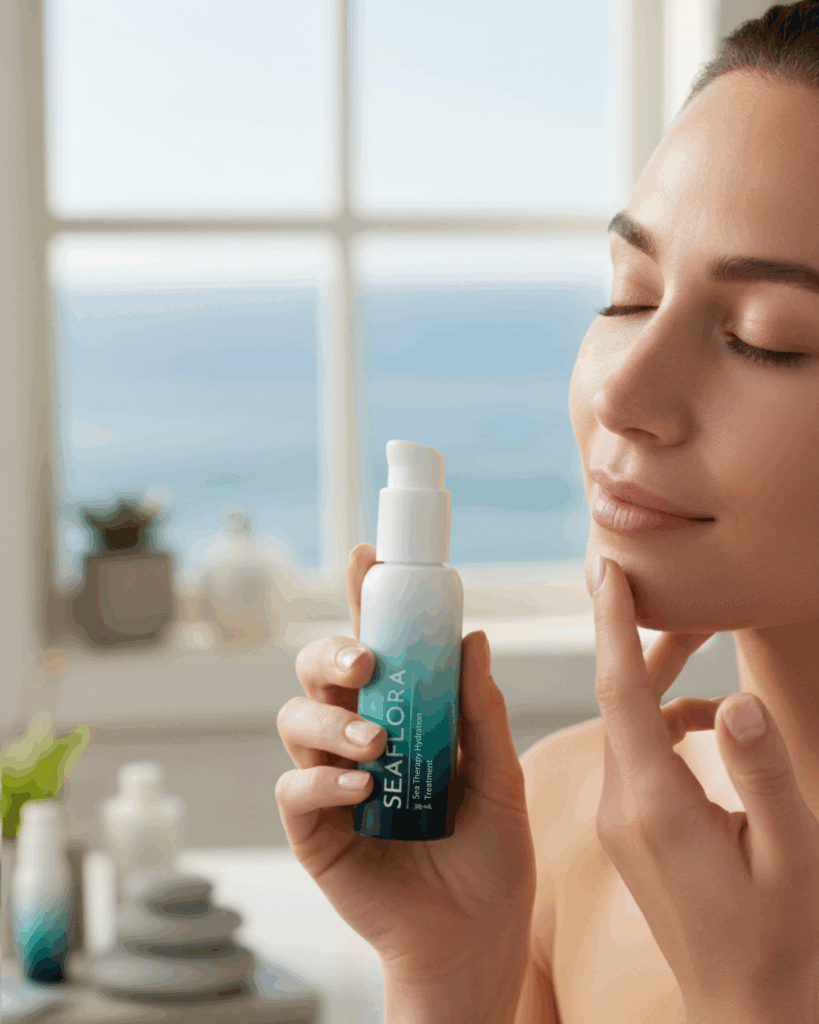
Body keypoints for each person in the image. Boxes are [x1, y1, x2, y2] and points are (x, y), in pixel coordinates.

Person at [275, 3, 819, 1021]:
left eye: (767, 337)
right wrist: (448, 971)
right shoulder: (572, 819)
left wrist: (755, 999)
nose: (622, 393)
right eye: (628, 294)